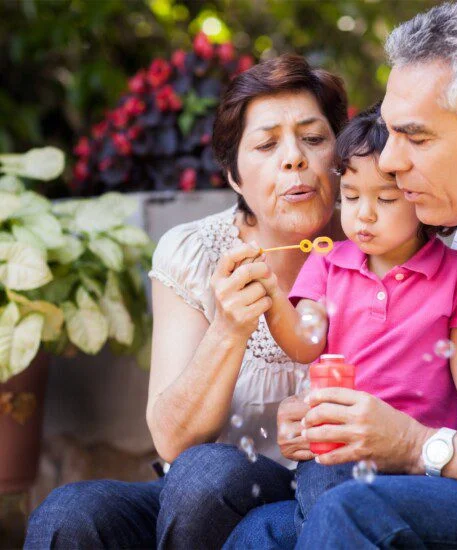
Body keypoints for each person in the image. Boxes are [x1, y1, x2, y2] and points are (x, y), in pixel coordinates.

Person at [226, 3, 457, 548]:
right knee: (259, 531)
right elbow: (313, 338)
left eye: (415, 138)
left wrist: (417, 443)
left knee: (351, 510)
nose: (389, 162)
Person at [24, 55, 348, 549]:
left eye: (314, 138)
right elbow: (172, 441)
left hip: (314, 494)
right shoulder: (195, 250)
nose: (294, 158)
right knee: (71, 513)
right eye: (266, 144)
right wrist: (228, 330)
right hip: (194, 501)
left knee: (206, 472)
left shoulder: (376, 246)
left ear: (340, 153)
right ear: (234, 175)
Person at [251, 101, 457, 533]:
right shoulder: (328, 265)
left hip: (417, 455)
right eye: (351, 197)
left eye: (385, 199)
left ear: (418, 196)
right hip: (338, 444)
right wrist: (272, 298)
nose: (363, 214)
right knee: (324, 488)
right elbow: (305, 341)